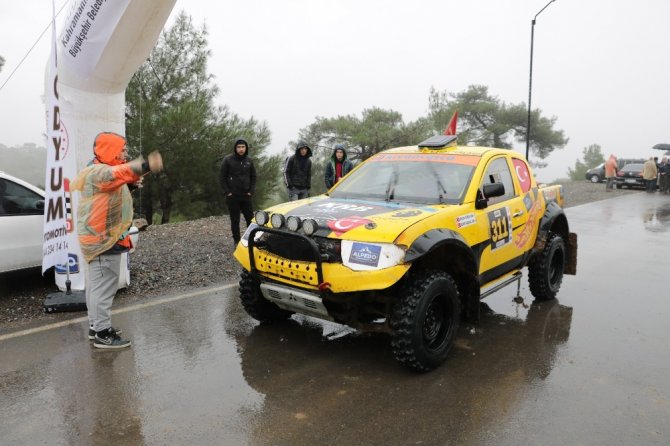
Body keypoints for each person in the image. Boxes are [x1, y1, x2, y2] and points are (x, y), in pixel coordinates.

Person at [71, 132, 163, 349]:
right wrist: (147, 164)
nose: (125, 153)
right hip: (102, 239)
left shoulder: (96, 169)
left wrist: (129, 186)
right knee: (104, 288)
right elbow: (120, 172)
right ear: (109, 150)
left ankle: (97, 328)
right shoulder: (100, 171)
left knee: (96, 287)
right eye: (122, 149)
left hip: (97, 237)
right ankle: (103, 334)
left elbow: (112, 189)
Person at [219, 139, 256, 245]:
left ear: (246, 148)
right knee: (235, 220)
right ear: (235, 148)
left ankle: (250, 240)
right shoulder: (228, 160)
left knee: (250, 219)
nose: (241, 149)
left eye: (243, 147)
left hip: (246, 195)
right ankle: (237, 241)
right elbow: (222, 177)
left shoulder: (249, 160)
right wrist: (227, 192)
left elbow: (253, 176)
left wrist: (251, 191)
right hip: (233, 196)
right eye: (239, 147)